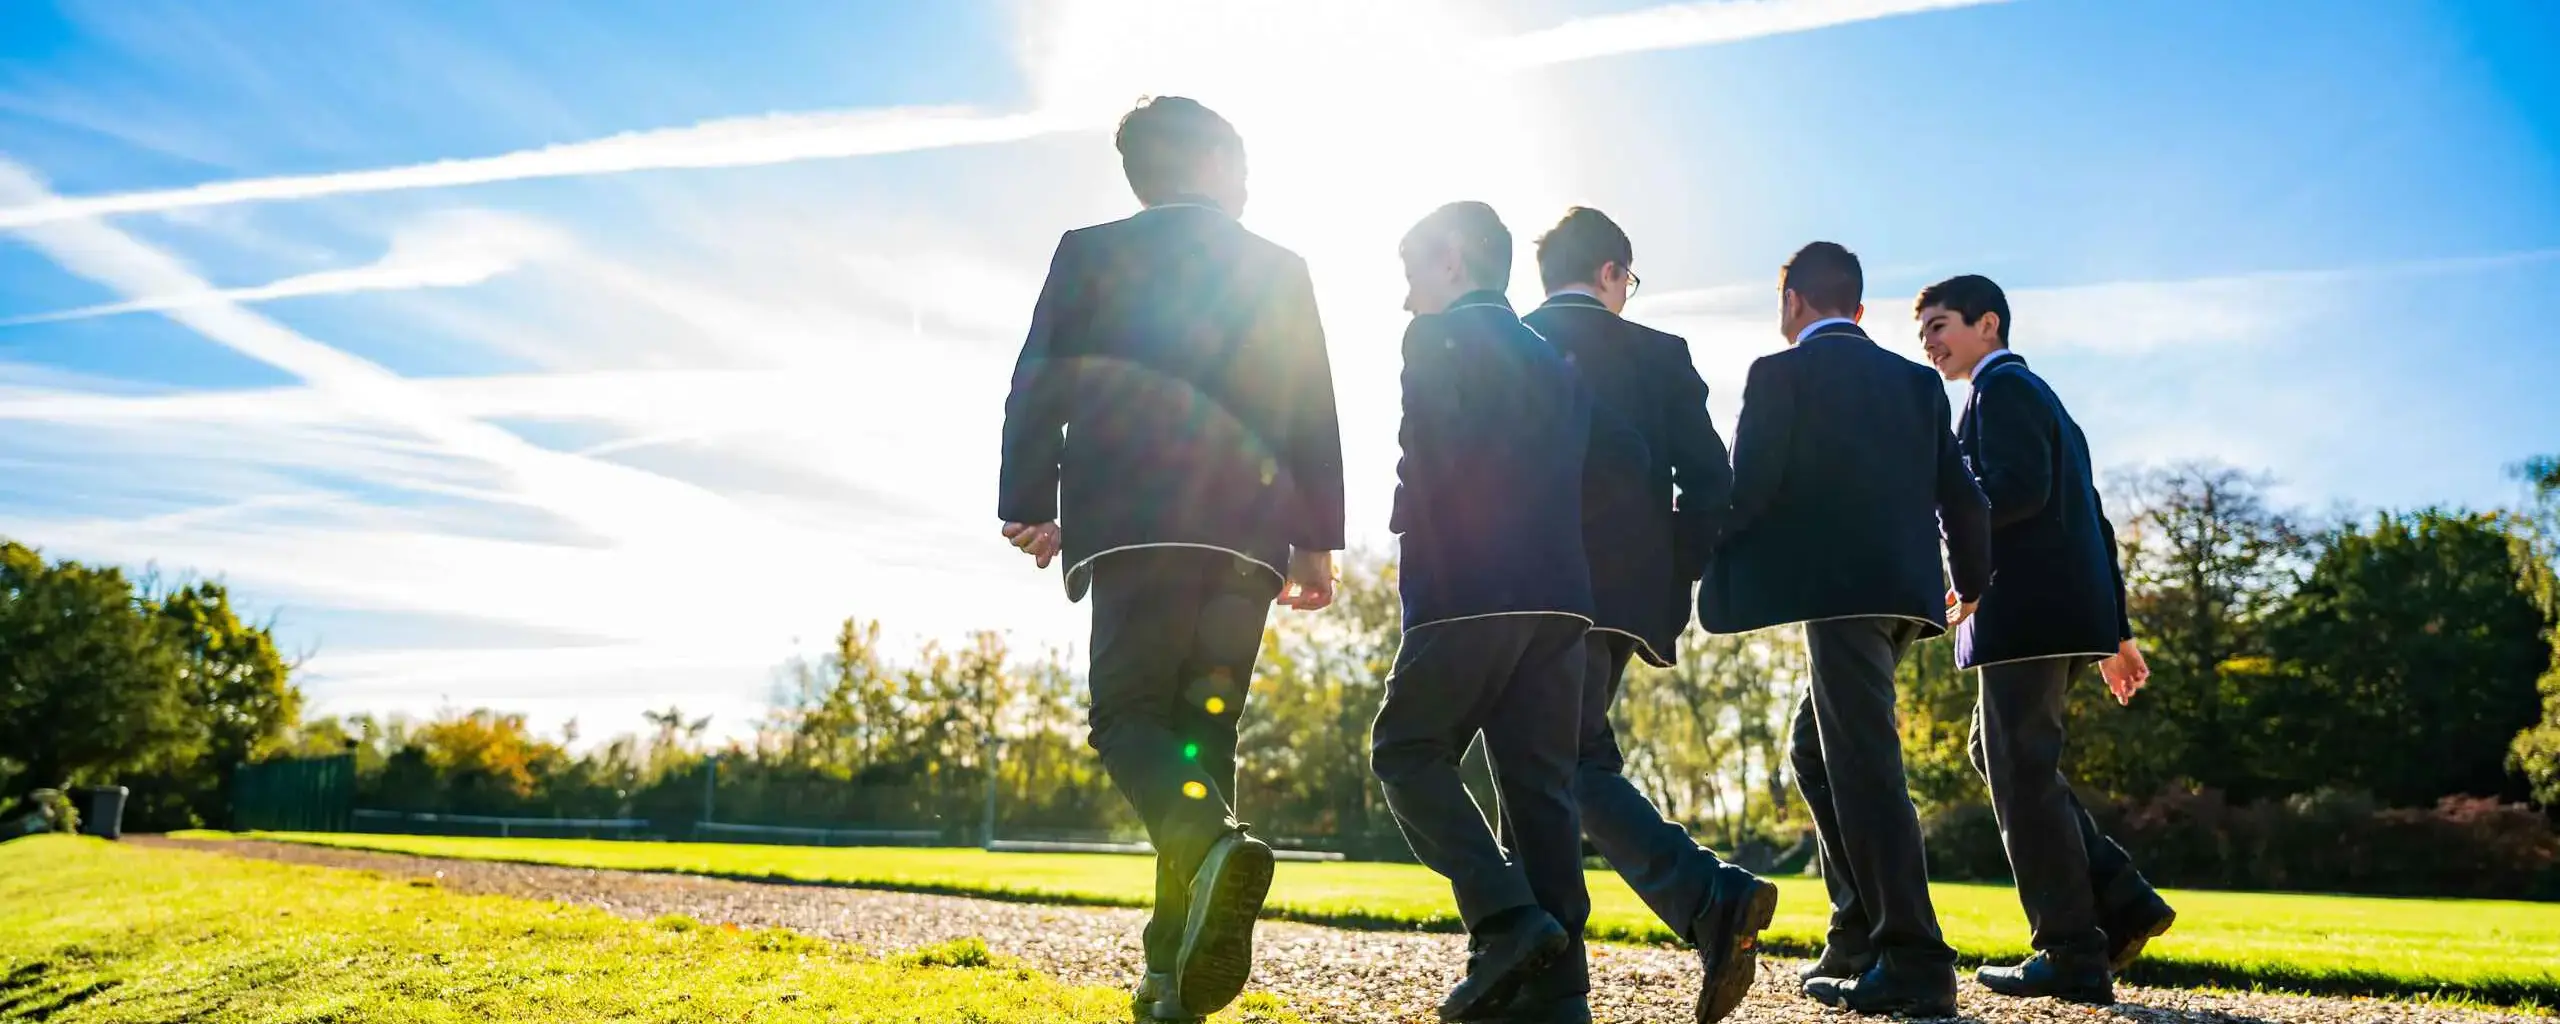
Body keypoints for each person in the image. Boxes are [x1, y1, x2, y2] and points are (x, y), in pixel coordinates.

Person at [995, 95, 1344, 1022]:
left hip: (1136, 525)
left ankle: (1199, 887)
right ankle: (1172, 974)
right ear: (1219, 163)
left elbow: (1041, 378)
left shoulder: (1092, 252)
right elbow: (1311, 404)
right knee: (1200, 740)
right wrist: (1315, 539)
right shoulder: (1277, 267)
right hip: (1247, 540)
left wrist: (1028, 501)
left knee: (1130, 721)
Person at [1700, 242, 1991, 1017]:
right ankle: (1858, 929)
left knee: (1864, 765)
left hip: (1841, 598)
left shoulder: (1779, 372)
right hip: (1909, 598)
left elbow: (1750, 489)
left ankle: (1915, 959)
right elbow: (1962, 497)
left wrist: (1690, 543)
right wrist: (1971, 582)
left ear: (1792, 303)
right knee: (1814, 748)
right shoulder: (1916, 381)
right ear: (1858, 311)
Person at [1518, 207, 1778, 1024]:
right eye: (1628, 279)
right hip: (1623, 595)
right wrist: (1670, 572)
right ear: (1610, 272)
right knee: (1564, 762)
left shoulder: (1502, 339)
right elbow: (1710, 484)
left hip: (1517, 584)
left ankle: (1702, 899)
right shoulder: (1660, 355)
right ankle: (1531, 951)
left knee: (1554, 767)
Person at [1915, 273, 2178, 1004]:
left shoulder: (2001, 393)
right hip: (2060, 614)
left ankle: (2070, 952)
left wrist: (1961, 569)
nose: (1930, 343)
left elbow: (2013, 491)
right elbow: (2091, 522)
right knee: (1994, 754)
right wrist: (2115, 633)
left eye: (1941, 325)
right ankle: (2121, 897)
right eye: (1924, 331)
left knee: (2022, 777)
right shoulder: (2043, 402)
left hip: (2024, 614)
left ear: (1988, 325)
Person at [1373, 201, 1595, 1024]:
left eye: (1413, 275)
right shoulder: (1555, 358)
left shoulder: (1437, 339)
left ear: (1455, 261)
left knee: (1406, 750)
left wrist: (1421, 567)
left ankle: (1504, 921)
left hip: (1468, 587)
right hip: (1561, 597)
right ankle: (1560, 993)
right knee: (1540, 790)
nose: (1406, 301)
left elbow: (1428, 461)